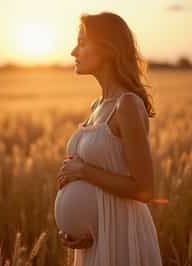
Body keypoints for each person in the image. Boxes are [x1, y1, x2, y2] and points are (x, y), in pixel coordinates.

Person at [56, 11, 163, 266]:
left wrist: (82, 170)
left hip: (122, 235)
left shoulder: (126, 104)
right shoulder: (97, 106)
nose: (73, 52)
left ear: (107, 49)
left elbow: (144, 188)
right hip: (96, 240)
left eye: (82, 43)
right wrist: (80, 228)